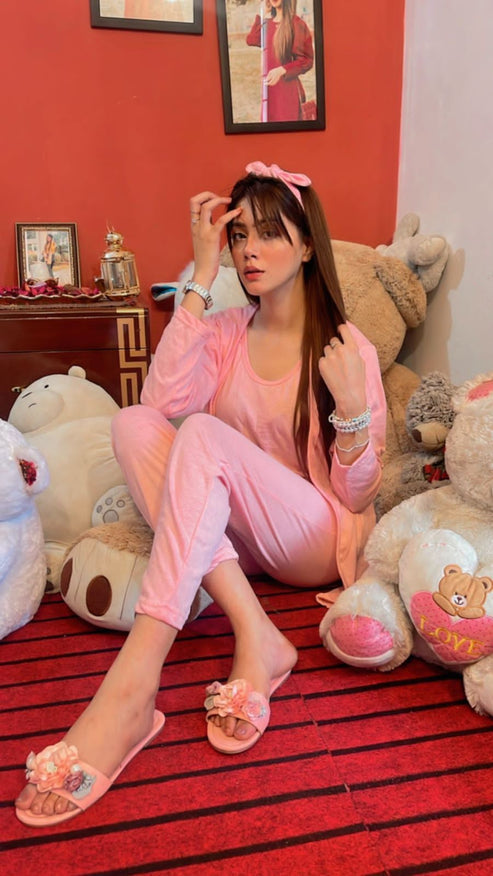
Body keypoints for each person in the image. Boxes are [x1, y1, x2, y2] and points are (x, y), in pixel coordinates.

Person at [15, 161, 386, 827]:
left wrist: (353, 411)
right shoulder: (225, 331)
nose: (249, 251)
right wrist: (201, 276)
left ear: (307, 246)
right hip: (236, 544)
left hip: (310, 537)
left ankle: (134, 682)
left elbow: (357, 495)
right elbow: (159, 404)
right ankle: (256, 632)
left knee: (205, 434)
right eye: (239, 235)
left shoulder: (344, 347)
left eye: (269, 234)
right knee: (132, 423)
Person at [246, 0, 314, 122]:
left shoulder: (296, 24)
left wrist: (282, 70)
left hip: (287, 93)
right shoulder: (266, 24)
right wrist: (261, 15)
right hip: (269, 93)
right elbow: (251, 40)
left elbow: (307, 60)